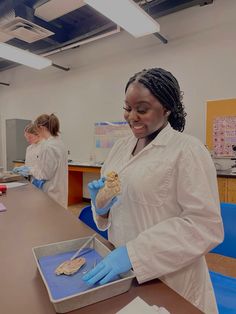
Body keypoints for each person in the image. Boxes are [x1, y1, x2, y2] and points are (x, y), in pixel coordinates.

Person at [83, 68, 224, 314]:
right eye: (127, 108)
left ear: (167, 109)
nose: (131, 117)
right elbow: (116, 208)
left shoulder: (187, 150)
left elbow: (204, 225)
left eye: (142, 109)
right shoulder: (120, 147)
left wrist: (134, 253)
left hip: (170, 277)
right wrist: (102, 206)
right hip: (122, 272)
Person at [15, 114, 68, 208]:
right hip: (59, 192)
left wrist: (30, 170)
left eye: (37, 130)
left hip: (51, 193)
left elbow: (45, 174)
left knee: (50, 219)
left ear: (41, 128)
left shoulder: (48, 146)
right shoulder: (59, 142)